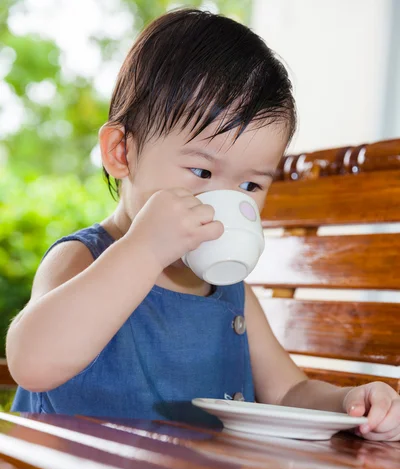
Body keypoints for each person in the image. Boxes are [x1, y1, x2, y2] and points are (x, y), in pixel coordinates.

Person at [6, 9, 400, 440]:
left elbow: (290, 391)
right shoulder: (84, 258)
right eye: (202, 173)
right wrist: (144, 250)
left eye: (250, 184)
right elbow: (32, 362)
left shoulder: (232, 295)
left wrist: (349, 403)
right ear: (122, 152)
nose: (224, 201)